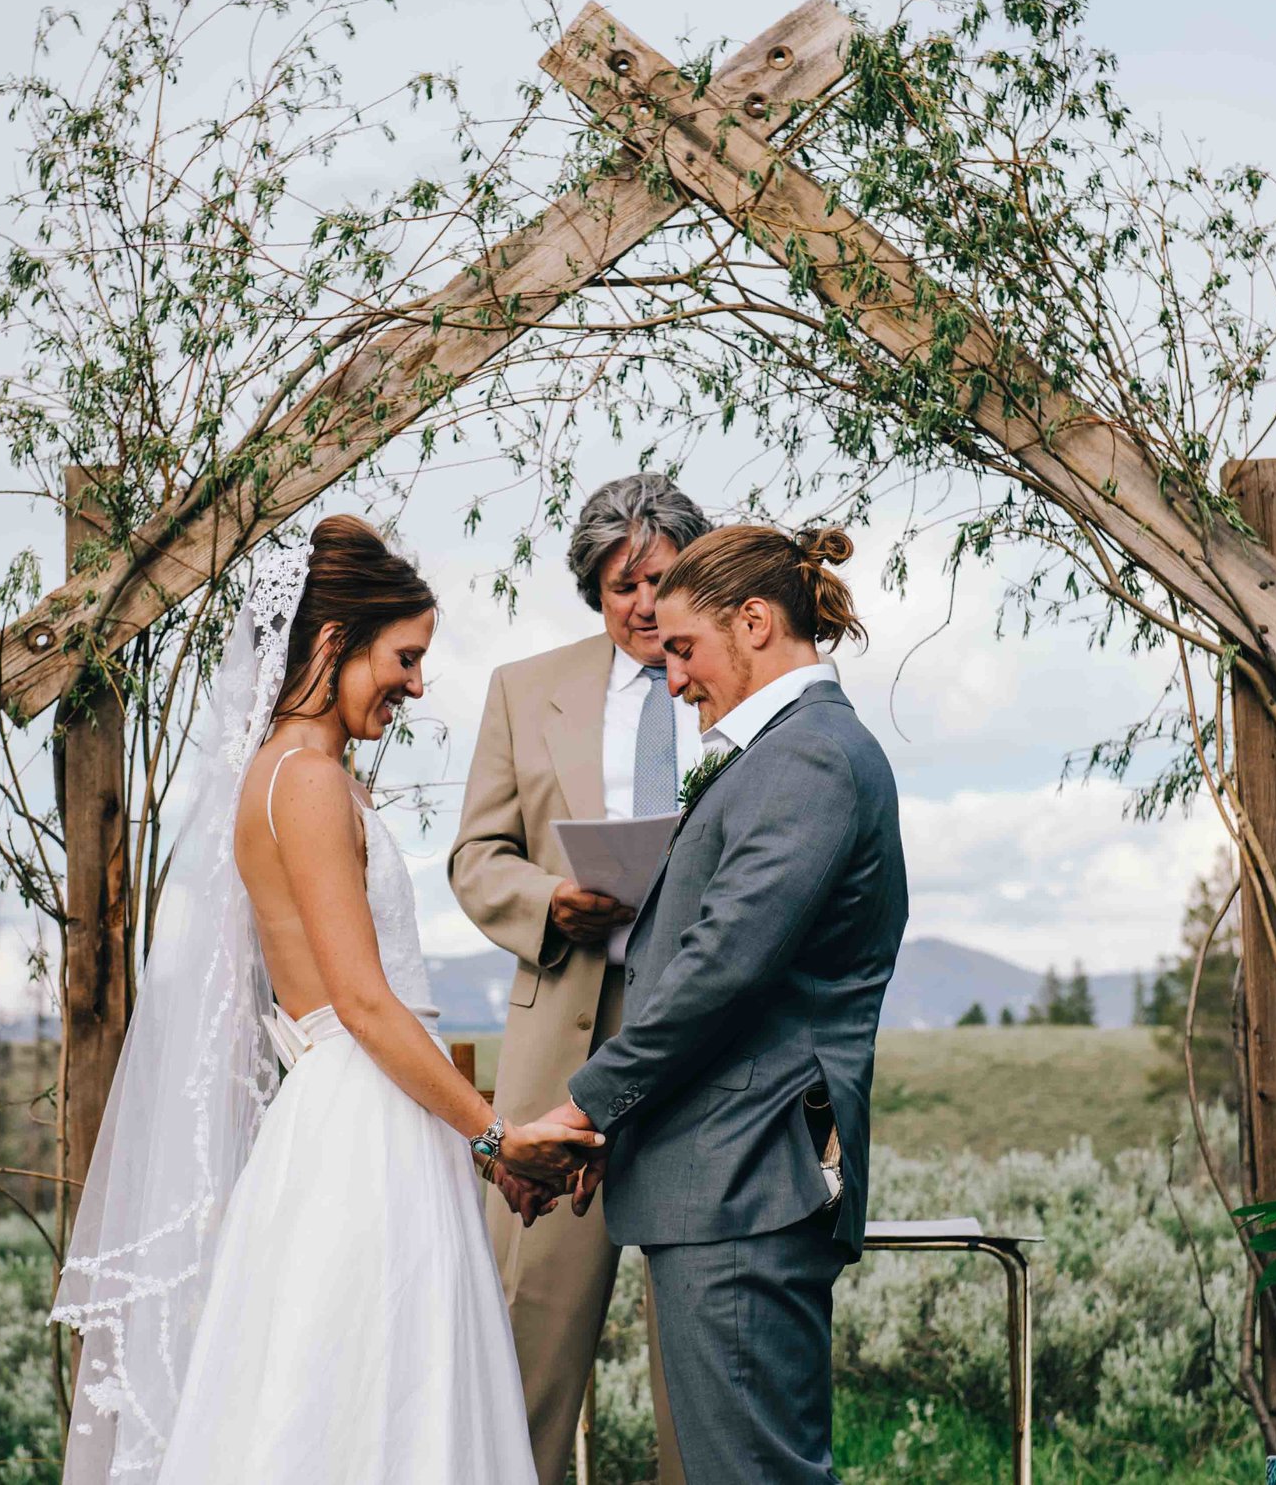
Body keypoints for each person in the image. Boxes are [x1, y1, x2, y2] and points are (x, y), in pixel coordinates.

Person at [55, 515, 601, 1485]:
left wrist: (475, 1140)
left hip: (370, 1112)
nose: (417, 684)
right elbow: (361, 998)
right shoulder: (304, 780)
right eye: (404, 656)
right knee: (366, 1396)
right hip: (362, 1123)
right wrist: (491, 1136)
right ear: (328, 642)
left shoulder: (297, 773)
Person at [551, 526, 909, 1485]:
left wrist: (586, 1107)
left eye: (683, 649)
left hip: (747, 1180)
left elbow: (718, 973)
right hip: (721, 1178)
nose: (673, 681)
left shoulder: (809, 759)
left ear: (754, 622)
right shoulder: (784, 753)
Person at [449, 471, 705, 1485]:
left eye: (658, 577)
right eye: (616, 586)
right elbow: (475, 858)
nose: (641, 604)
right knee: (524, 1356)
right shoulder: (523, 687)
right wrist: (550, 903)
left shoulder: (739, 686)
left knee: (703, 1365)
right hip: (558, 1069)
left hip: (701, 1062)